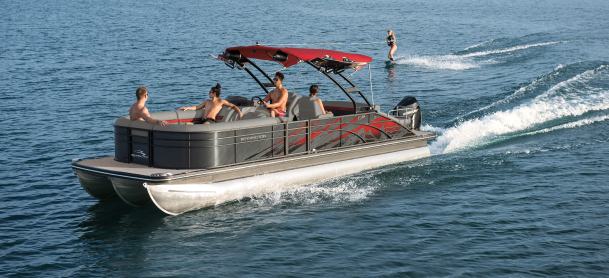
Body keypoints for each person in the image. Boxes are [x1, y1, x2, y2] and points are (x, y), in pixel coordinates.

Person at [178, 83, 242, 124]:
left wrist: (239, 113)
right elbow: (197, 107)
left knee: (205, 125)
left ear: (214, 94)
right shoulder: (207, 101)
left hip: (210, 121)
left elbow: (233, 106)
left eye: (210, 92)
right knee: (187, 124)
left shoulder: (221, 102)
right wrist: (186, 108)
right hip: (202, 120)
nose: (209, 93)